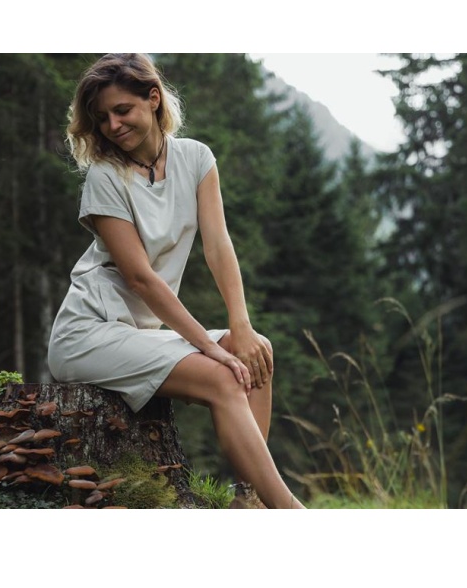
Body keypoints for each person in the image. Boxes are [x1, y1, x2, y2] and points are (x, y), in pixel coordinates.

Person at [48, 53, 304, 509]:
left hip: (138, 333)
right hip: (86, 334)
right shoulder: (105, 177)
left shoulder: (196, 158)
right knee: (224, 376)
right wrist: (209, 347)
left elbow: (218, 247)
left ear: (153, 99)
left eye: (122, 110)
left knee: (256, 353)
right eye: (102, 118)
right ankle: (289, 513)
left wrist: (240, 326)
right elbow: (140, 279)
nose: (112, 125)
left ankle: (250, 502)